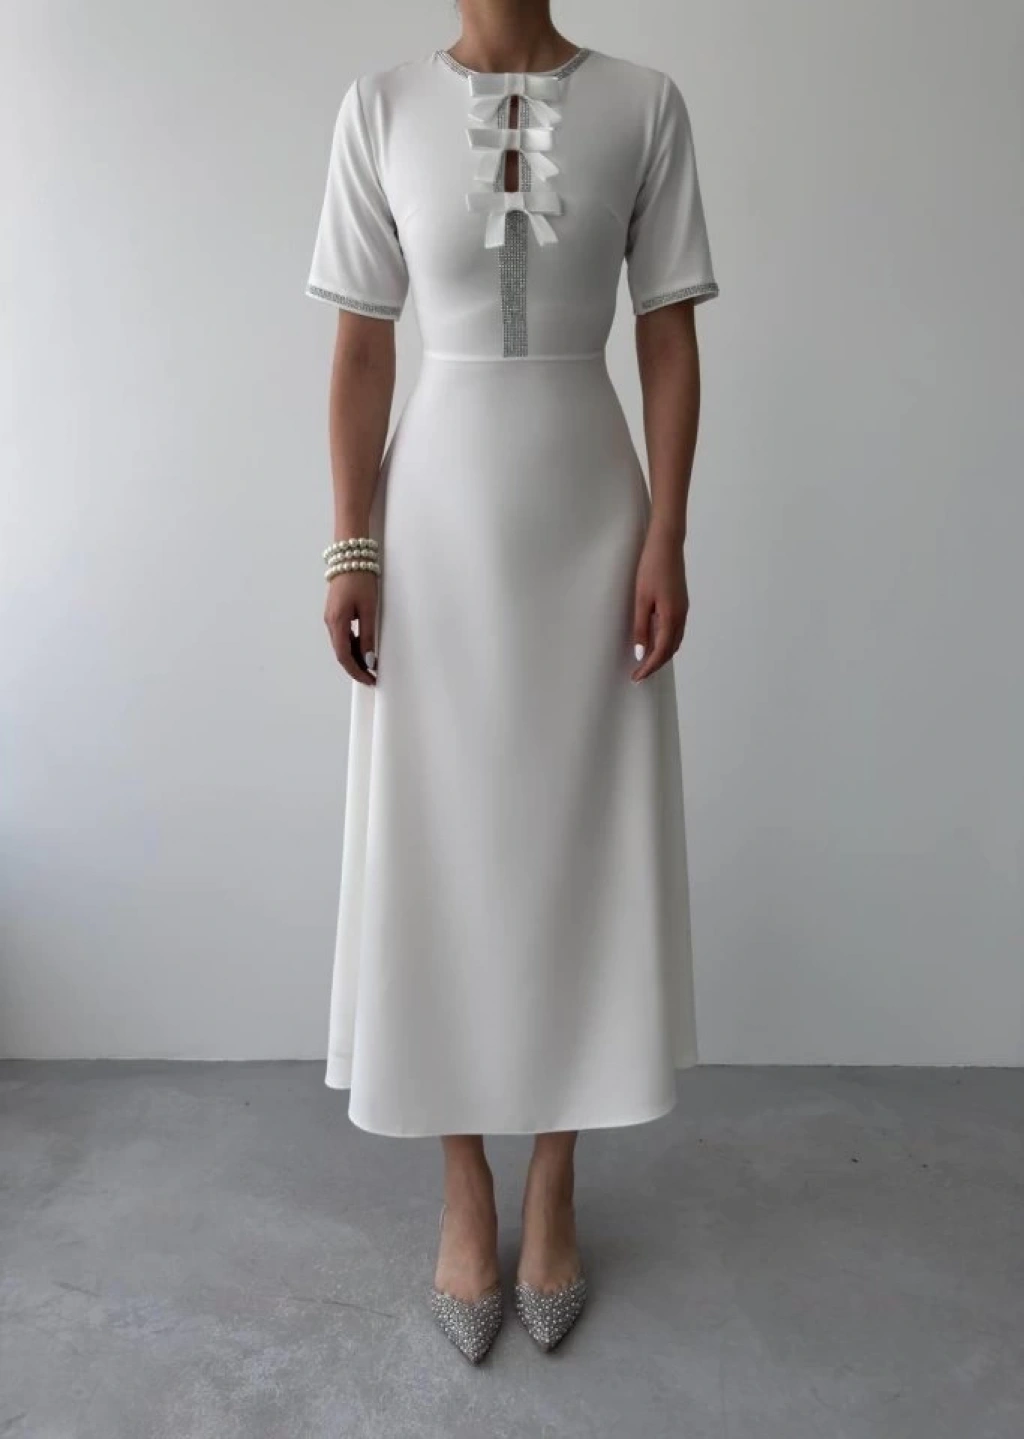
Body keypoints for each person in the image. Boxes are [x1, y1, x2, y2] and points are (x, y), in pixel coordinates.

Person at [305, 0, 719, 1362]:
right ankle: (462, 1187)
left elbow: (668, 333)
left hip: (590, 519)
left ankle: (555, 1179)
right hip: (434, 526)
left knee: (574, 846)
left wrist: (667, 532)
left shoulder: (646, 104)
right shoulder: (379, 108)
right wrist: (352, 544)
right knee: (444, 849)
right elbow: (364, 345)